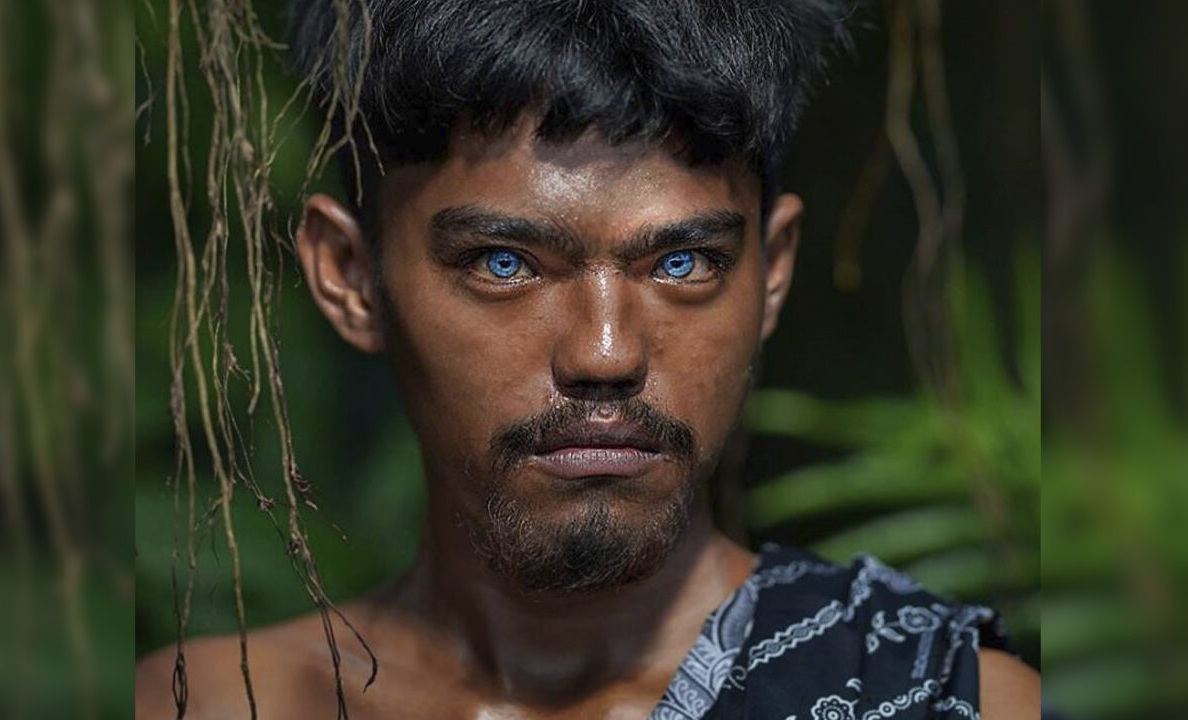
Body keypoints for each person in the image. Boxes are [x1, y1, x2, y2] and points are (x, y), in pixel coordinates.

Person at [136, 0, 1040, 717]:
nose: (605, 352)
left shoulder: (943, 698)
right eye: (504, 264)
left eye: (683, 263)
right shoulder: (201, 704)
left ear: (773, 272)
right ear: (350, 277)